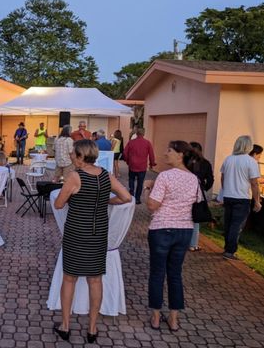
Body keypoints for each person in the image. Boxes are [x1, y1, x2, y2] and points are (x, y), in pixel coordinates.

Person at [53, 140, 131, 343]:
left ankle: (65, 325)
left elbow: (59, 204)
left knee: (69, 278)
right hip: (98, 234)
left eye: (73, 154)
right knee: (95, 280)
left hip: (77, 233)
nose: (71, 156)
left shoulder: (74, 177)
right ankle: (92, 329)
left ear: (80, 156)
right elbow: (126, 197)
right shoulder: (106, 175)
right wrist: (106, 200)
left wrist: (70, 196)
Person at [143, 140, 200, 332]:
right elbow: (197, 201)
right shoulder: (193, 178)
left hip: (161, 229)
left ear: (180, 155)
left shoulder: (165, 176)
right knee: (175, 274)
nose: (165, 153)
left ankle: (156, 317)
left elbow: (152, 205)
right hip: (184, 231)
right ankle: (174, 319)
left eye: (169, 150)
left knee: (157, 273)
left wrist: (148, 188)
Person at [220, 135, 261, 261]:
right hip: (242, 197)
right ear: (248, 147)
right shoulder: (251, 161)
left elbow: (222, 178)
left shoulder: (228, 159)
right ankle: (229, 251)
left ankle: (227, 248)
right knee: (236, 225)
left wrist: (226, 190)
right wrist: (257, 201)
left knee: (229, 223)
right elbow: (254, 183)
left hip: (228, 196)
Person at [188, 142, 214, 252]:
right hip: (198, 193)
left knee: (184, 216)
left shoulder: (186, 162)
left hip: (185, 191)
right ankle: (193, 244)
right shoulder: (206, 163)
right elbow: (210, 179)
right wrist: (204, 188)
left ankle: (182, 242)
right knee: (196, 218)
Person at [123, 128, 156, 204]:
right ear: (143, 134)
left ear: (136, 134)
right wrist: (152, 164)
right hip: (142, 167)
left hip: (132, 165)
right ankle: (137, 199)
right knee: (140, 183)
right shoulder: (147, 143)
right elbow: (151, 155)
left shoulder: (131, 142)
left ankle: (131, 195)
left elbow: (125, 153)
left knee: (131, 180)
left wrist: (128, 161)